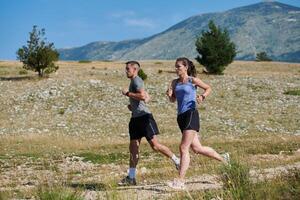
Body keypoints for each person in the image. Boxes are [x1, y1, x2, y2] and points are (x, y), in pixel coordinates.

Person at [166, 57, 229, 190]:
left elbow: (208, 88)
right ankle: (224, 160)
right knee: (197, 149)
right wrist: (169, 94)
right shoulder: (174, 82)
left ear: (186, 67)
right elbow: (173, 100)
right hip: (181, 117)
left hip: (191, 114)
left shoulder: (192, 80)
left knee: (183, 148)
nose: (176, 69)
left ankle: (180, 181)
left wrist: (202, 96)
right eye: (175, 66)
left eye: (179, 66)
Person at [118, 60, 180, 186]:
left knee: (155, 146)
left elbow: (142, 95)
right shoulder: (133, 81)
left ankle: (177, 161)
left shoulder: (137, 80)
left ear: (135, 69)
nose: (126, 71)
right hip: (135, 118)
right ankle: (131, 177)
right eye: (126, 69)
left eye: (128, 69)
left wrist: (128, 94)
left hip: (144, 118)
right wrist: (133, 106)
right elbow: (143, 98)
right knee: (133, 148)